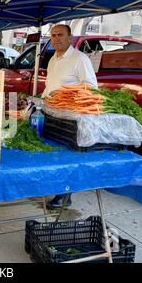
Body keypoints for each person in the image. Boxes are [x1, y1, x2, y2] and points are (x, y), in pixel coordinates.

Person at [42, 24, 98, 209]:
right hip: (52, 113)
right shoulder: (52, 60)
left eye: (60, 35)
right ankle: (55, 186)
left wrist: (67, 98)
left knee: (67, 156)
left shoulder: (79, 59)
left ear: (70, 37)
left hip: (70, 119)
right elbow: (49, 87)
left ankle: (65, 195)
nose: (56, 38)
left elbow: (91, 88)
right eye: (53, 35)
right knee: (53, 153)